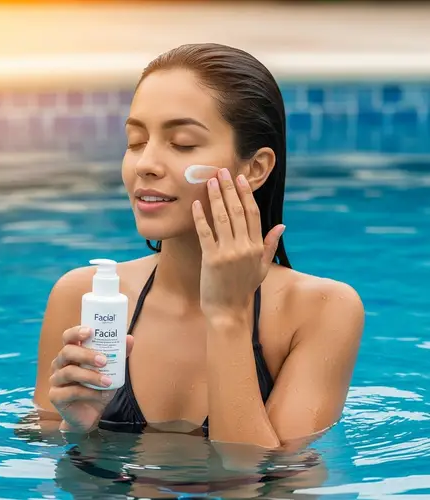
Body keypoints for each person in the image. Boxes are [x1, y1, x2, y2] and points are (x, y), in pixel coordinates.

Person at [33, 43, 364, 450]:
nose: (145, 164)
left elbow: (267, 483)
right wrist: (75, 431)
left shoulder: (321, 311)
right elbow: (44, 466)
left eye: (183, 143)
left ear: (255, 168)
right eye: (136, 141)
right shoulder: (85, 296)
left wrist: (227, 316)